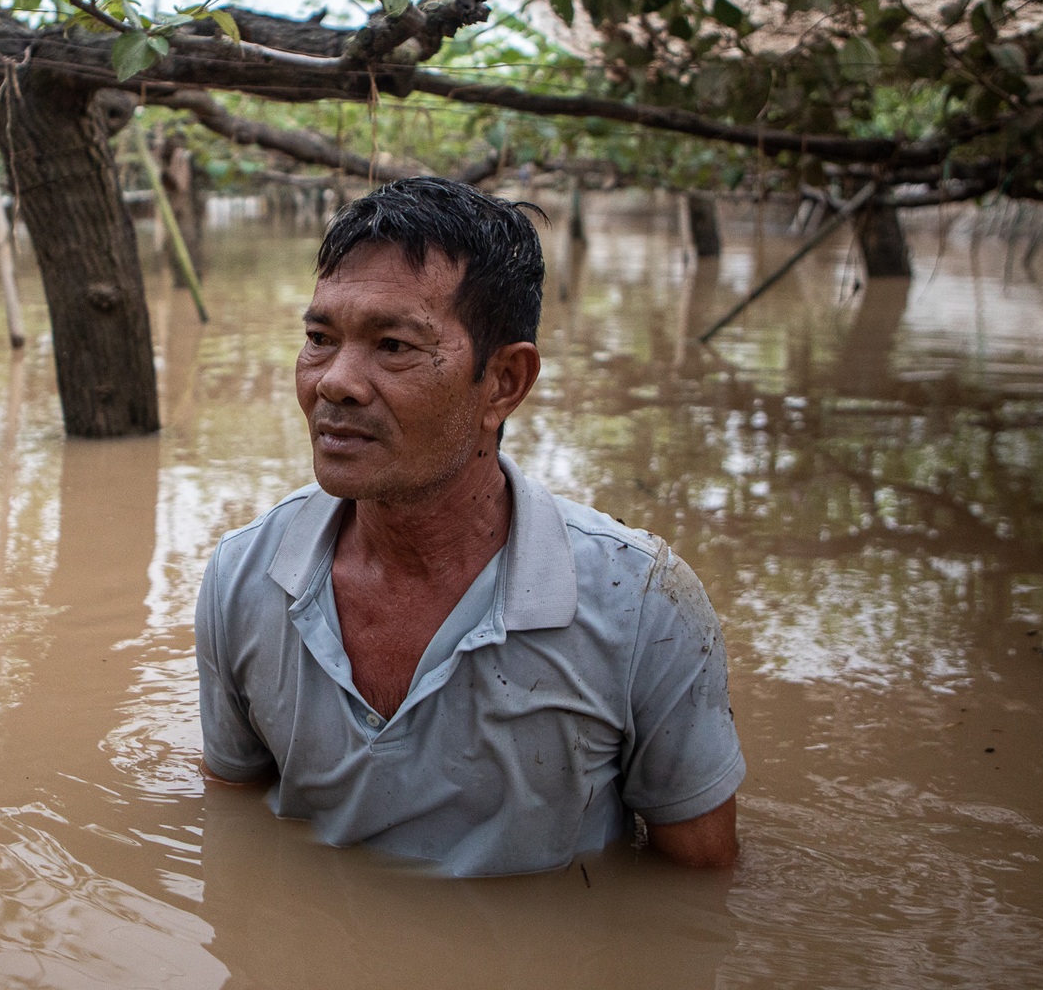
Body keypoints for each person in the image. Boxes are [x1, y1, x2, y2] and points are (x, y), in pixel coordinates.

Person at [195, 177, 744, 877]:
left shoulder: (641, 602)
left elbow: (698, 890)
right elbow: (234, 823)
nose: (335, 381)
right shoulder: (243, 579)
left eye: (393, 345)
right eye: (319, 338)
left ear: (506, 383)